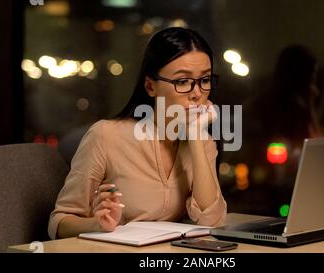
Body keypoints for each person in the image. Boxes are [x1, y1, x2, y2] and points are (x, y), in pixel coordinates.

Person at [48, 27, 227, 240]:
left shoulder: (202, 141)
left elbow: (211, 220)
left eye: (205, 80)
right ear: (151, 86)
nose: (197, 93)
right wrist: (96, 224)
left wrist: (197, 136)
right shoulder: (106, 136)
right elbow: (59, 222)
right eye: (182, 81)